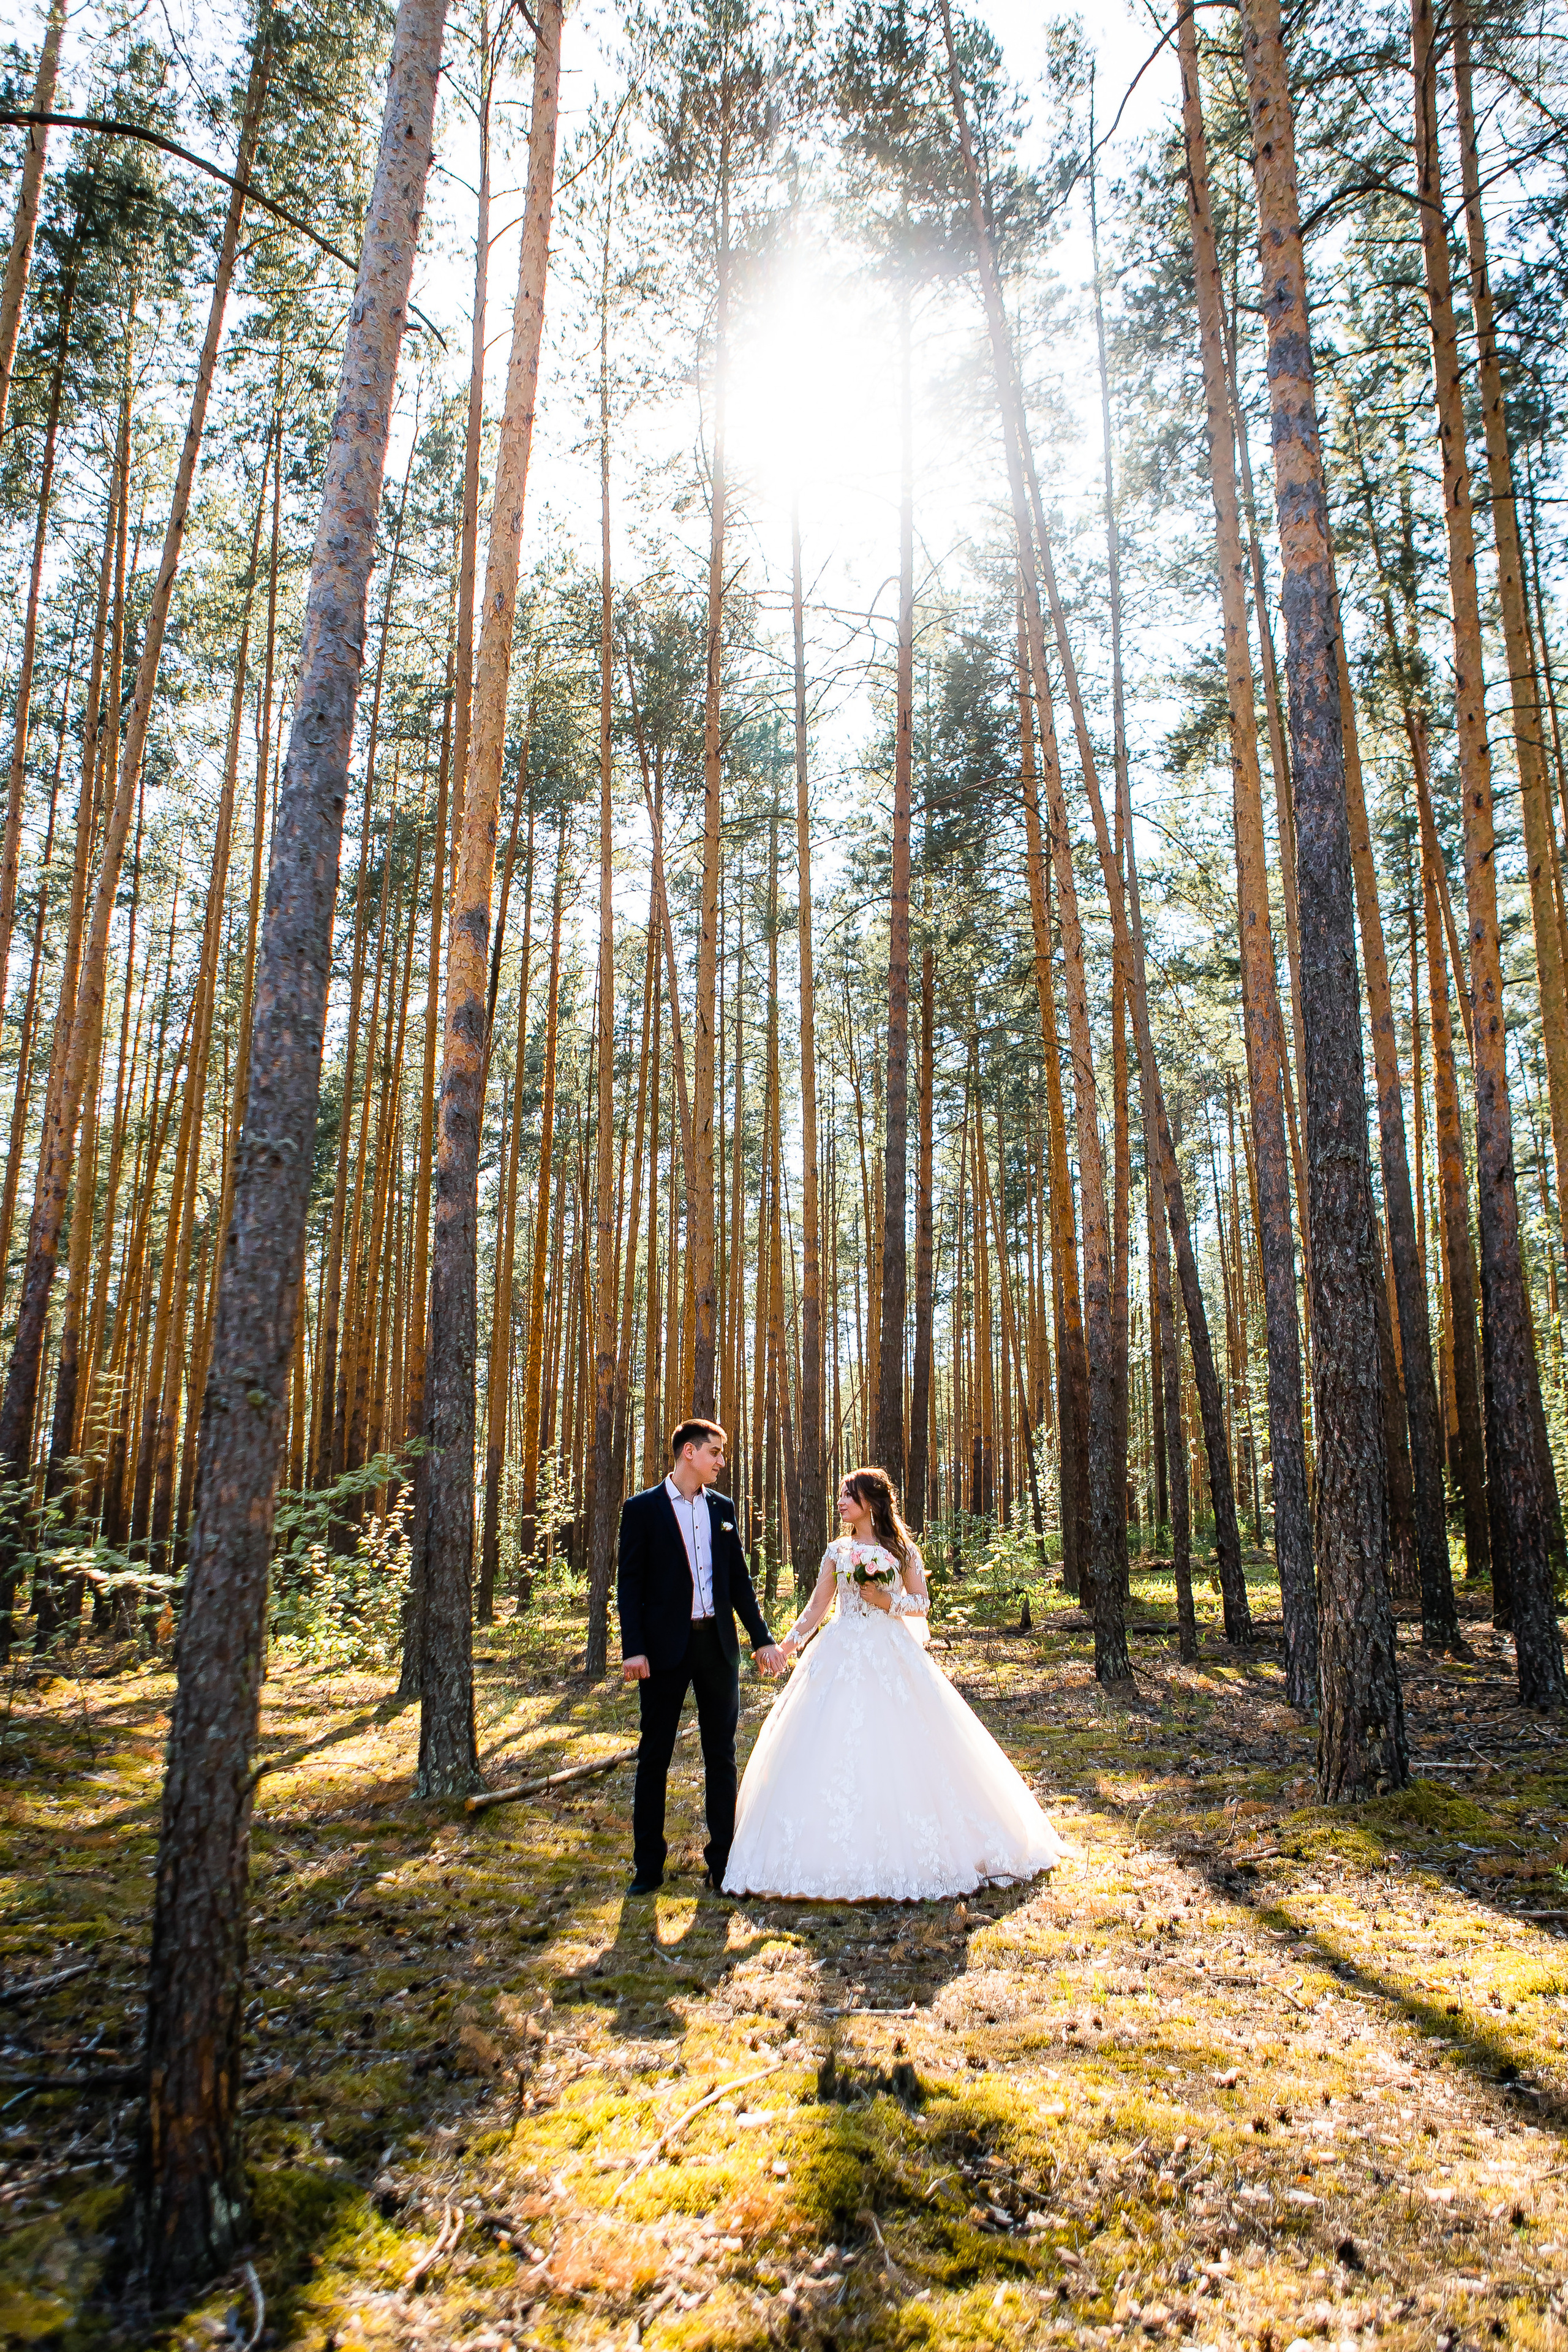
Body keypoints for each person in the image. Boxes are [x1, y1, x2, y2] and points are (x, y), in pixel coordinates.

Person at [723, 1466, 1065, 1902]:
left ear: (871, 1502)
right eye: (842, 1496)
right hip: (841, 1649)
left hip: (890, 1651)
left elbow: (922, 1603)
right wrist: (787, 1646)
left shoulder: (901, 1549)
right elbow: (816, 1606)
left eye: (849, 1495)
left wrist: (890, 1601)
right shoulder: (837, 1551)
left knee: (908, 1742)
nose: (842, 1502)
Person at [617, 1418, 786, 1895]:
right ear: (689, 1452)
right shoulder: (642, 1509)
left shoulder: (723, 1508)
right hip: (664, 1650)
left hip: (717, 1647)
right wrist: (634, 1648)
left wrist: (761, 1639)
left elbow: (738, 1581)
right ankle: (648, 1867)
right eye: (715, 1452)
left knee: (722, 1755)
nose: (721, 1462)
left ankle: (724, 1863)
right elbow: (628, 1585)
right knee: (655, 1757)